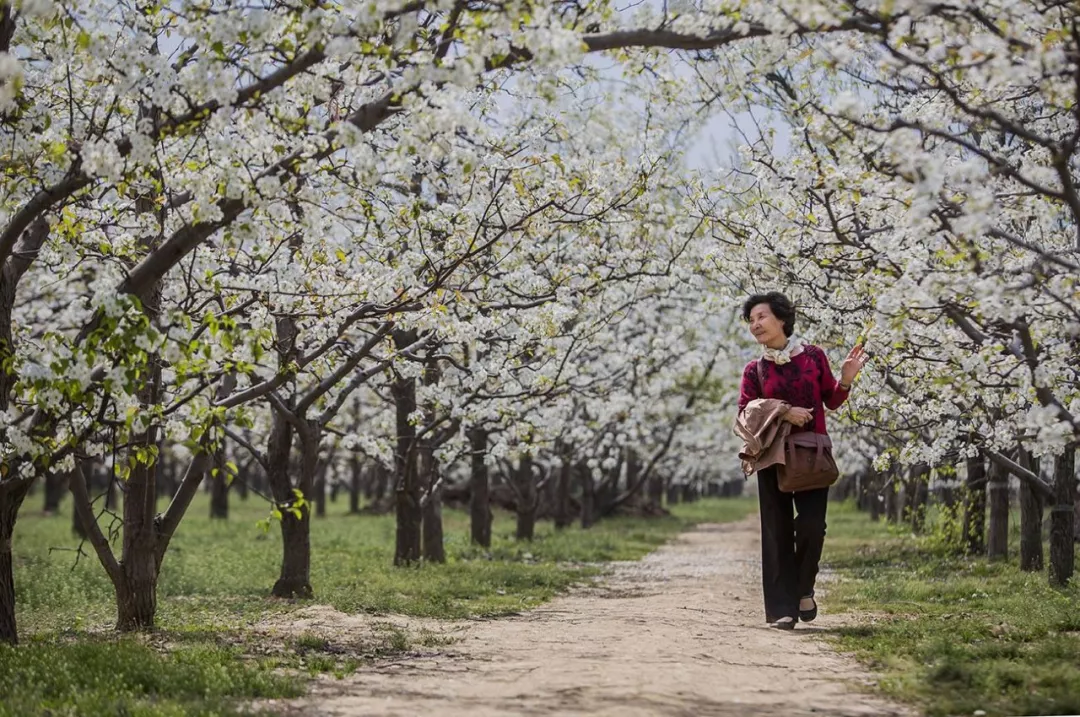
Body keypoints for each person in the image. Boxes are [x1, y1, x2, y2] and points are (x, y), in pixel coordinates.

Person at [737, 292, 868, 630]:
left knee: (812, 526)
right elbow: (745, 414)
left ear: (782, 319)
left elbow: (833, 400)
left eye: (761, 317)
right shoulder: (755, 370)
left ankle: (803, 587)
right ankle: (783, 609)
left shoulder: (812, 357)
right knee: (776, 532)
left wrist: (847, 379)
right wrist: (783, 411)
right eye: (751, 320)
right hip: (773, 458)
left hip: (811, 455)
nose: (755, 325)